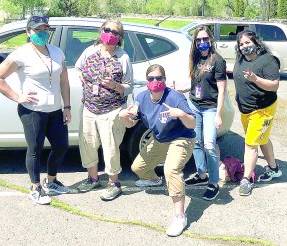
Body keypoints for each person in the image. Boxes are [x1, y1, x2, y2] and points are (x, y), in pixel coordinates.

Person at [0, 15, 71, 205]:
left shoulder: (57, 51)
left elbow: (64, 80)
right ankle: (35, 188)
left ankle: (51, 182)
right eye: (37, 30)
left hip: (55, 110)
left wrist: (67, 106)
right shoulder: (20, 54)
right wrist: (17, 96)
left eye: (45, 29)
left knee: (61, 146)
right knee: (35, 149)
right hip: (32, 111)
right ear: (29, 32)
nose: (42, 33)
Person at [119, 64, 196, 237]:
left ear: (164, 80)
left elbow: (192, 124)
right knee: (137, 168)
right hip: (160, 139)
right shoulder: (142, 97)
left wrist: (181, 114)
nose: (155, 82)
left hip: (181, 138)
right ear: (147, 82)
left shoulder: (175, 98)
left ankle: (180, 216)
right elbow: (131, 123)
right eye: (151, 79)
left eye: (159, 78)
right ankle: (154, 180)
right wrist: (124, 118)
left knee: (171, 170)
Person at [75, 19, 133, 201]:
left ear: (120, 37)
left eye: (115, 32)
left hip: (112, 110)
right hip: (89, 108)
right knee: (88, 146)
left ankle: (114, 184)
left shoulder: (123, 57)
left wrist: (116, 86)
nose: (111, 34)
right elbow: (78, 68)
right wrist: (82, 80)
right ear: (101, 31)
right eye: (107, 30)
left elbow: (130, 86)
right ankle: (93, 179)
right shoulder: (89, 51)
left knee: (111, 149)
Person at [233, 30, 282, 196]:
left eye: (248, 42)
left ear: (255, 42)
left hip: (263, 110)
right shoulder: (240, 59)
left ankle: (246, 179)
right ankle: (274, 169)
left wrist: (256, 79)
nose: (245, 46)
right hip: (246, 109)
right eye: (241, 44)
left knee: (250, 143)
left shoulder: (267, 61)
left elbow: (274, 85)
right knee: (262, 139)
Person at [184, 26, 227, 201]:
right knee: (196, 142)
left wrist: (218, 114)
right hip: (194, 105)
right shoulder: (194, 58)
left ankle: (214, 183)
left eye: (205, 39)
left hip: (210, 109)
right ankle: (201, 174)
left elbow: (222, 90)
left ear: (210, 40)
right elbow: (195, 83)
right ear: (195, 42)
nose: (202, 43)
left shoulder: (217, 60)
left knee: (209, 145)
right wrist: (182, 88)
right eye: (199, 40)